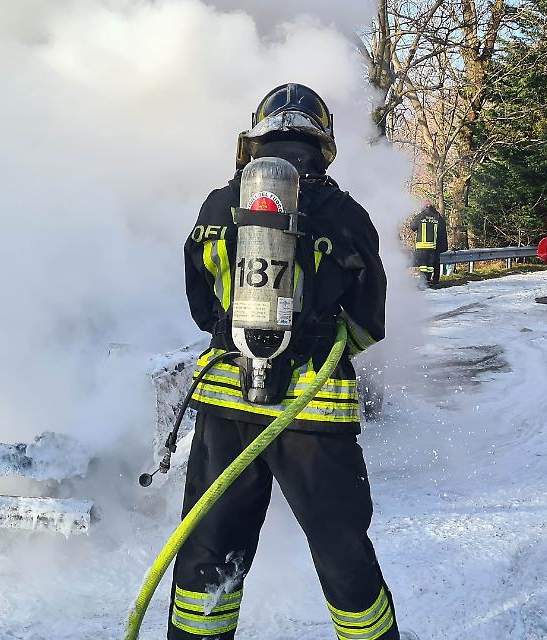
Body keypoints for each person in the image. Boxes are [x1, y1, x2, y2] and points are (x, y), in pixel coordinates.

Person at [174, 83, 401, 640]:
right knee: (341, 554)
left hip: (225, 409)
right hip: (313, 414)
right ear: (321, 143)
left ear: (257, 137)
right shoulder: (344, 212)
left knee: (208, 554)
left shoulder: (216, 204)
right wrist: (322, 345)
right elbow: (370, 318)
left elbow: (202, 305)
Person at [410, 203, 447, 286]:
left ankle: (423, 282)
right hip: (433, 246)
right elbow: (442, 231)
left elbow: (412, 227)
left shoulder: (421, 216)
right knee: (431, 265)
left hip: (421, 246)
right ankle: (431, 280)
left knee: (423, 265)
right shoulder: (437, 216)